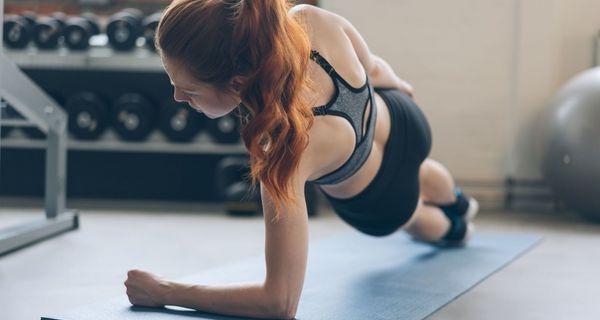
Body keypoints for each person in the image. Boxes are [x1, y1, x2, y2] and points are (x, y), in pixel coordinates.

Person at [124, 1, 479, 318]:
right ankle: (460, 202)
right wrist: (403, 88)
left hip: (382, 199)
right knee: (422, 170)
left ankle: (459, 229)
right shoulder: (308, 20)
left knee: (415, 213)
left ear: (236, 83)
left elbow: (279, 302)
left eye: (189, 91)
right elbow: (375, 71)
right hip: (405, 120)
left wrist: (165, 292)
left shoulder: (281, 148)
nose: (177, 97)